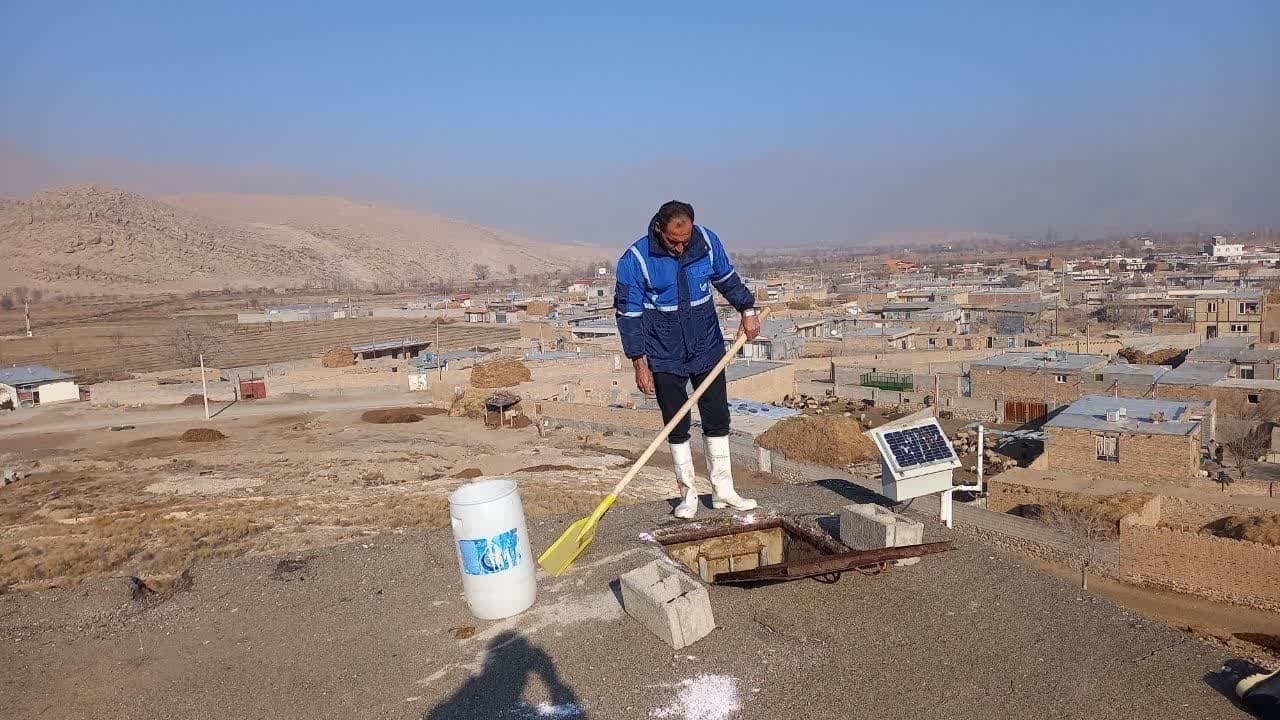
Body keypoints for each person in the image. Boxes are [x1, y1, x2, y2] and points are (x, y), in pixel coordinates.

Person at [614, 200, 761, 518]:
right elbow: (629, 314)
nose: (681, 247)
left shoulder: (706, 241)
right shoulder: (636, 259)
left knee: (717, 417)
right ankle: (688, 495)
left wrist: (747, 310)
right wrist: (640, 363)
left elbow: (726, 279)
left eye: (685, 239)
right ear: (658, 228)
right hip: (663, 352)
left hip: (706, 345)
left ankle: (723, 491)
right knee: (677, 424)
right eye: (673, 241)